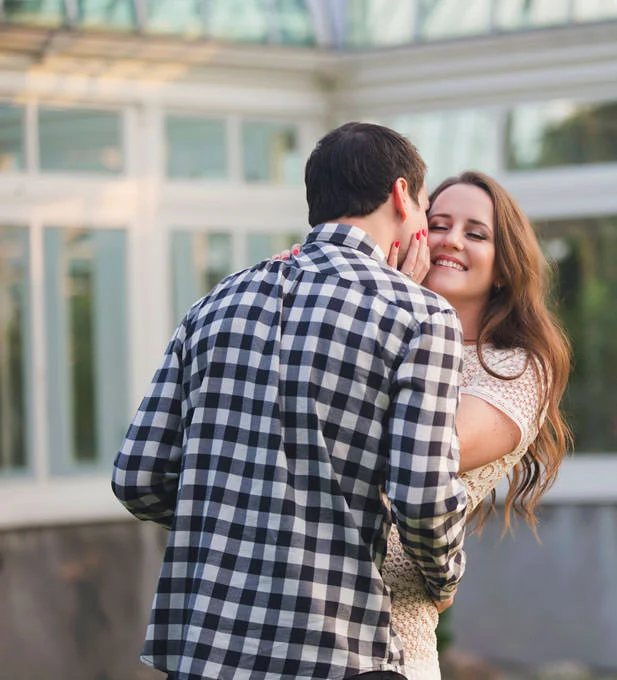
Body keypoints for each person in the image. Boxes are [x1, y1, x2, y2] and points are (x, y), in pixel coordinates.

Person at [112, 122, 469, 680]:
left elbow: (137, 477)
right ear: (402, 196)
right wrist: (444, 576)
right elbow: (423, 498)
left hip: (204, 649)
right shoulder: (420, 316)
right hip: (335, 651)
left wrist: (234, 521)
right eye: (426, 208)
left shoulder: (214, 303)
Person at [278, 171, 572, 679]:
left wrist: (396, 294)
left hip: (389, 635)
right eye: (438, 224)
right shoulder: (378, 324)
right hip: (290, 609)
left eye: (475, 233)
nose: (451, 240)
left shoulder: (517, 369)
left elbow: (423, 446)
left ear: (504, 268)